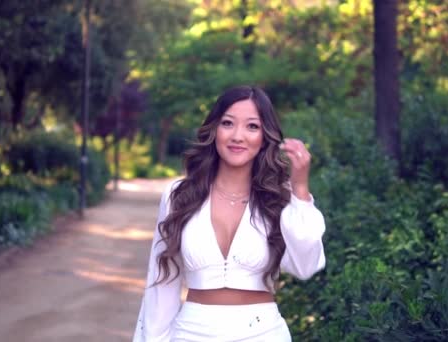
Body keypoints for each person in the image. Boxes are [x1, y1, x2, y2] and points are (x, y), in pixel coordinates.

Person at [133, 85, 326, 341]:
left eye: (252, 126)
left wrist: (300, 189)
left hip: (263, 333)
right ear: (214, 130)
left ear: (265, 136)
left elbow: (306, 266)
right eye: (227, 123)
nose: (238, 136)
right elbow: (160, 285)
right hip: (191, 334)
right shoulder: (179, 195)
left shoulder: (279, 199)